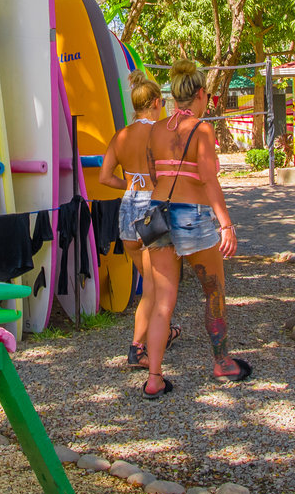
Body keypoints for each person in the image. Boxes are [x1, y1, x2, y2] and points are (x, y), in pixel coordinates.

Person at [138, 59, 247, 399]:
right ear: (201, 95)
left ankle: (154, 378)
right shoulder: (201, 129)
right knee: (214, 290)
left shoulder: (155, 129)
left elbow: (154, 175)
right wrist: (226, 224)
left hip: (157, 215)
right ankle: (222, 362)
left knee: (162, 303)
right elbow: (208, 179)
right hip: (192, 216)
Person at [98, 71, 179, 369]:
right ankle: (137, 349)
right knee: (153, 290)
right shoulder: (159, 133)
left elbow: (105, 177)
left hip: (127, 209)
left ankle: (163, 332)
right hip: (151, 210)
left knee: (150, 282)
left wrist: (130, 185)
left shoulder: (120, 136)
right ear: (156, 102)